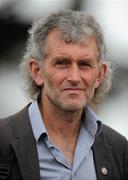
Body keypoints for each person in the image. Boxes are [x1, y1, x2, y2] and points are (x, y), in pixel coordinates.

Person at [0, 10, 128, 180]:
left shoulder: (118, 150)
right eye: (62, 63)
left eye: (84, 64)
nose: (74, 77)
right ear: (37, 71)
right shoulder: (3, 142)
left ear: (100, 75)